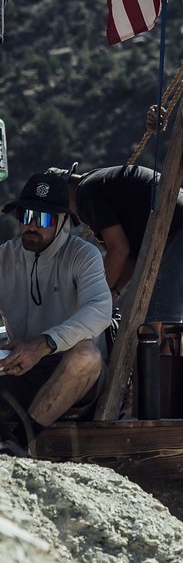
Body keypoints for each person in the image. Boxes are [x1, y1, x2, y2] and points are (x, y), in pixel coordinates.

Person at [0, 170, 114, 449]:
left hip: (72, 376)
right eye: (26, 216)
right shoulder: (3, 256)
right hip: (19, 367)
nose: (32, 226)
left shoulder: (82, 255)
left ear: (62, 222)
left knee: (86, 355)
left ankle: (19, 444)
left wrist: (44, 344)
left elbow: (100, 310)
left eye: (44, 218)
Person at [66, 162, 183, 322]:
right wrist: (114, 291)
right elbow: (131, 257)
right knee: (157, 319)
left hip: (175, 227)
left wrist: (94, 299)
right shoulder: (102, 183)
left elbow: (119, 250)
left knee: (162, 321)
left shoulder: (86, 193)